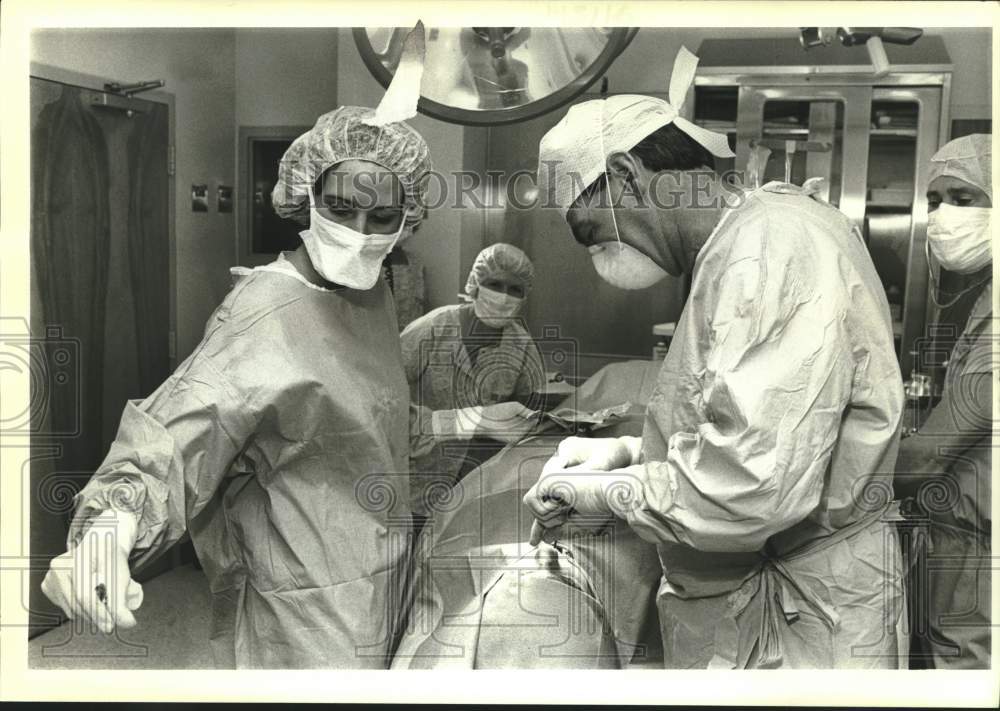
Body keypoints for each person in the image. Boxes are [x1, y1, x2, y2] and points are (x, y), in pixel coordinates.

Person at [522, 48, 908, 669]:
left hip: (804, 618)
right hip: (781, 597)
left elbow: (751, 489)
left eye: (592, 232)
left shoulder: (772, 248)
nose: (598, 255)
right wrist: (628, 452)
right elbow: (742, 419)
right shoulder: (741, 245)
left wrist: (601, 494)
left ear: (625, 177)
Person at [41, 105, 433, 669]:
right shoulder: (260, 317)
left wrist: (459, 423)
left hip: (383, 563)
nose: (358, 235)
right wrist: (110, 528)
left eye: (382, 218)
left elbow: (365, 419)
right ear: (306, 195)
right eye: (340, 209)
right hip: (306, 606)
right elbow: (176, 439)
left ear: (408, 219)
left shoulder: (372, 293)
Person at [894, 134, 993, 669]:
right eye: (935, 200)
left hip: (978, 546)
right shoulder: (981, 302)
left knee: (963, 670)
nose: (944, 215)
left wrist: (839, 475)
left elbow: (931, 454)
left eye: (964, 198)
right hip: (963, 534)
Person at [404, 243, 545, 518]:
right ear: (475, 284)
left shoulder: (521, 346)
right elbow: (384, 395)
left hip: (474, 479)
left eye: (514, 290)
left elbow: (528, 410)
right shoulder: (433, 328)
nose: (504, 297)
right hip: (415, 473)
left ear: (524, 296)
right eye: (495, 284)